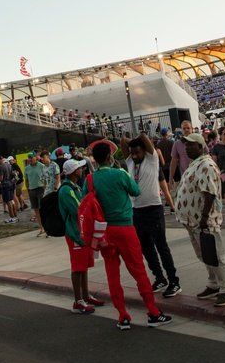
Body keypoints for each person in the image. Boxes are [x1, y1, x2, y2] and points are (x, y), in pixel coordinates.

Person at [84, 141, 172, 330]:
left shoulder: (90, 180)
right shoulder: (120, 174)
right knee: (138, 271)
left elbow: (85, 201)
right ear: (109, 157)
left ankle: (122, 315)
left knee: (112, 272)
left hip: (104, 231)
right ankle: (152, 312)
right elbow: (136, 190)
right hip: (124, 227)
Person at [175, 133, 225, 305]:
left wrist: (204, 216)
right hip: (193, 220)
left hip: (203, 220)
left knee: (215, 254)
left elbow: (209, 192)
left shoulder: (206, 165)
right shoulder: (196, 164)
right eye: (185, 145)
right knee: (204, 254)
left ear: (200, 147)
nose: (186, 148)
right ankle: (214, 283)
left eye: (190, 145)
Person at [123, 133, 181, 299]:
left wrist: (139, 141)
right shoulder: (130, 163)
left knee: (161, 247)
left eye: (137, 152)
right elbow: (122, 141)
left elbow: (144, 137)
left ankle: (174, 281)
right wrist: (133, 145)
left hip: (153, 210)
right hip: (137, 212)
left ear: (145, 151)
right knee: (146, 248)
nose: (134, 156)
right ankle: (159, 278)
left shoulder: (152, 159)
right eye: (132, 153)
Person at [57, 158, 104, 314]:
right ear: (72, 172)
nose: (81, 170)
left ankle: (85, 296)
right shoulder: (66, 190)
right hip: (74, 233)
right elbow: (78, 210)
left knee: (83, 267)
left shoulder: (73, 187)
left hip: (80, 233)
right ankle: (78, 301)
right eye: (79, 168)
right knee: (78, 268)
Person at [36, 150, 61, 237]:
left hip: (55, 189)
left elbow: (58, 177)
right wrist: (44, 191)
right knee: (47, 208)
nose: (42, 159)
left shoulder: (54, 165)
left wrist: (56, 188)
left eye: (44, 157)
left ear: (48, 156)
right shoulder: (43, 168)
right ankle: (49, 228)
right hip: (48, 190)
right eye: (41, 158)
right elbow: (45, 181)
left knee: (56, 207)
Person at [0, 156, 19, 223]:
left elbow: (1, 178)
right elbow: (12, 174)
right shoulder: (9, 165)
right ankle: (15, 216)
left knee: (8, 202)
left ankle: (12, 218)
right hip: (11, 184)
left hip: (5, 185)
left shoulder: (1, 167)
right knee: (12, 200)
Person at [23, 152, 45, 223]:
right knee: (35, 209)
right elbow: (26, 180)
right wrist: (28, 190)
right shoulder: (27, 168)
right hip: (32, 190)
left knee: (42, 207)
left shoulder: (41, 166)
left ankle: (46, 224)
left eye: (31, 157)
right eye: (29, 158)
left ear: (35, 157)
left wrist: (45, 188)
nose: (30, 159)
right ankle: (41, 227)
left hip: (40, 189)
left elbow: (45, 178)